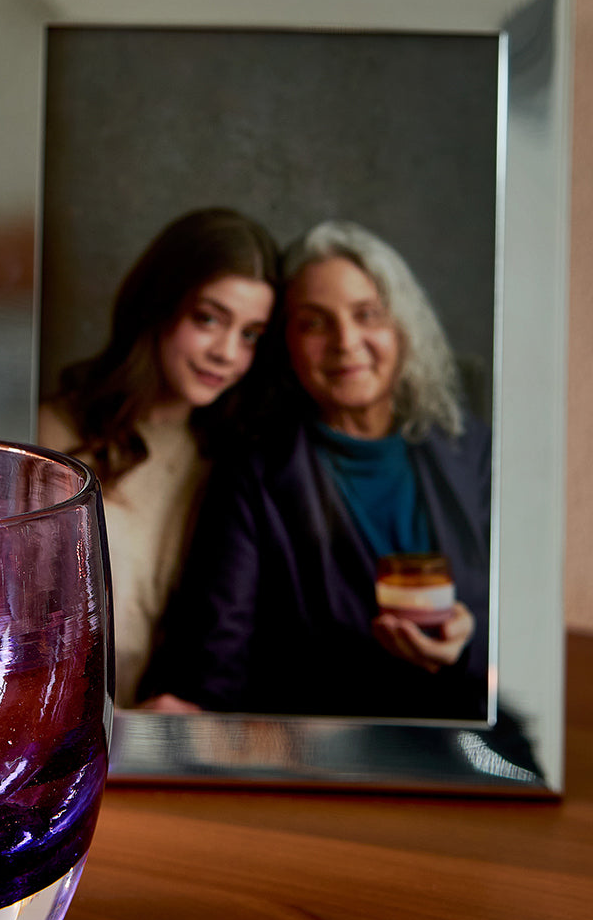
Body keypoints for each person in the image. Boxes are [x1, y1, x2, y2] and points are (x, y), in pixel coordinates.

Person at [141, 220, 491, 721]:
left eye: (367, 315)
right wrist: (193, 716)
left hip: (470, 748)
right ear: (286, 346)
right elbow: (218, 654)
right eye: (314, 323)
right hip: (325, 756)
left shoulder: (474, 452)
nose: (346, 342)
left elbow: (526, 640)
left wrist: (468, 647)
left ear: (402, 327)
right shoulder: (253, 473)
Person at [37, 206, 278, 707]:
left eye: (250, 334)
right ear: (158, 304)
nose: (227, 353)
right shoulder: (51, 437)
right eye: (209, 319)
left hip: (165, 743)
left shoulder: (228, 460)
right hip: (56, 735)